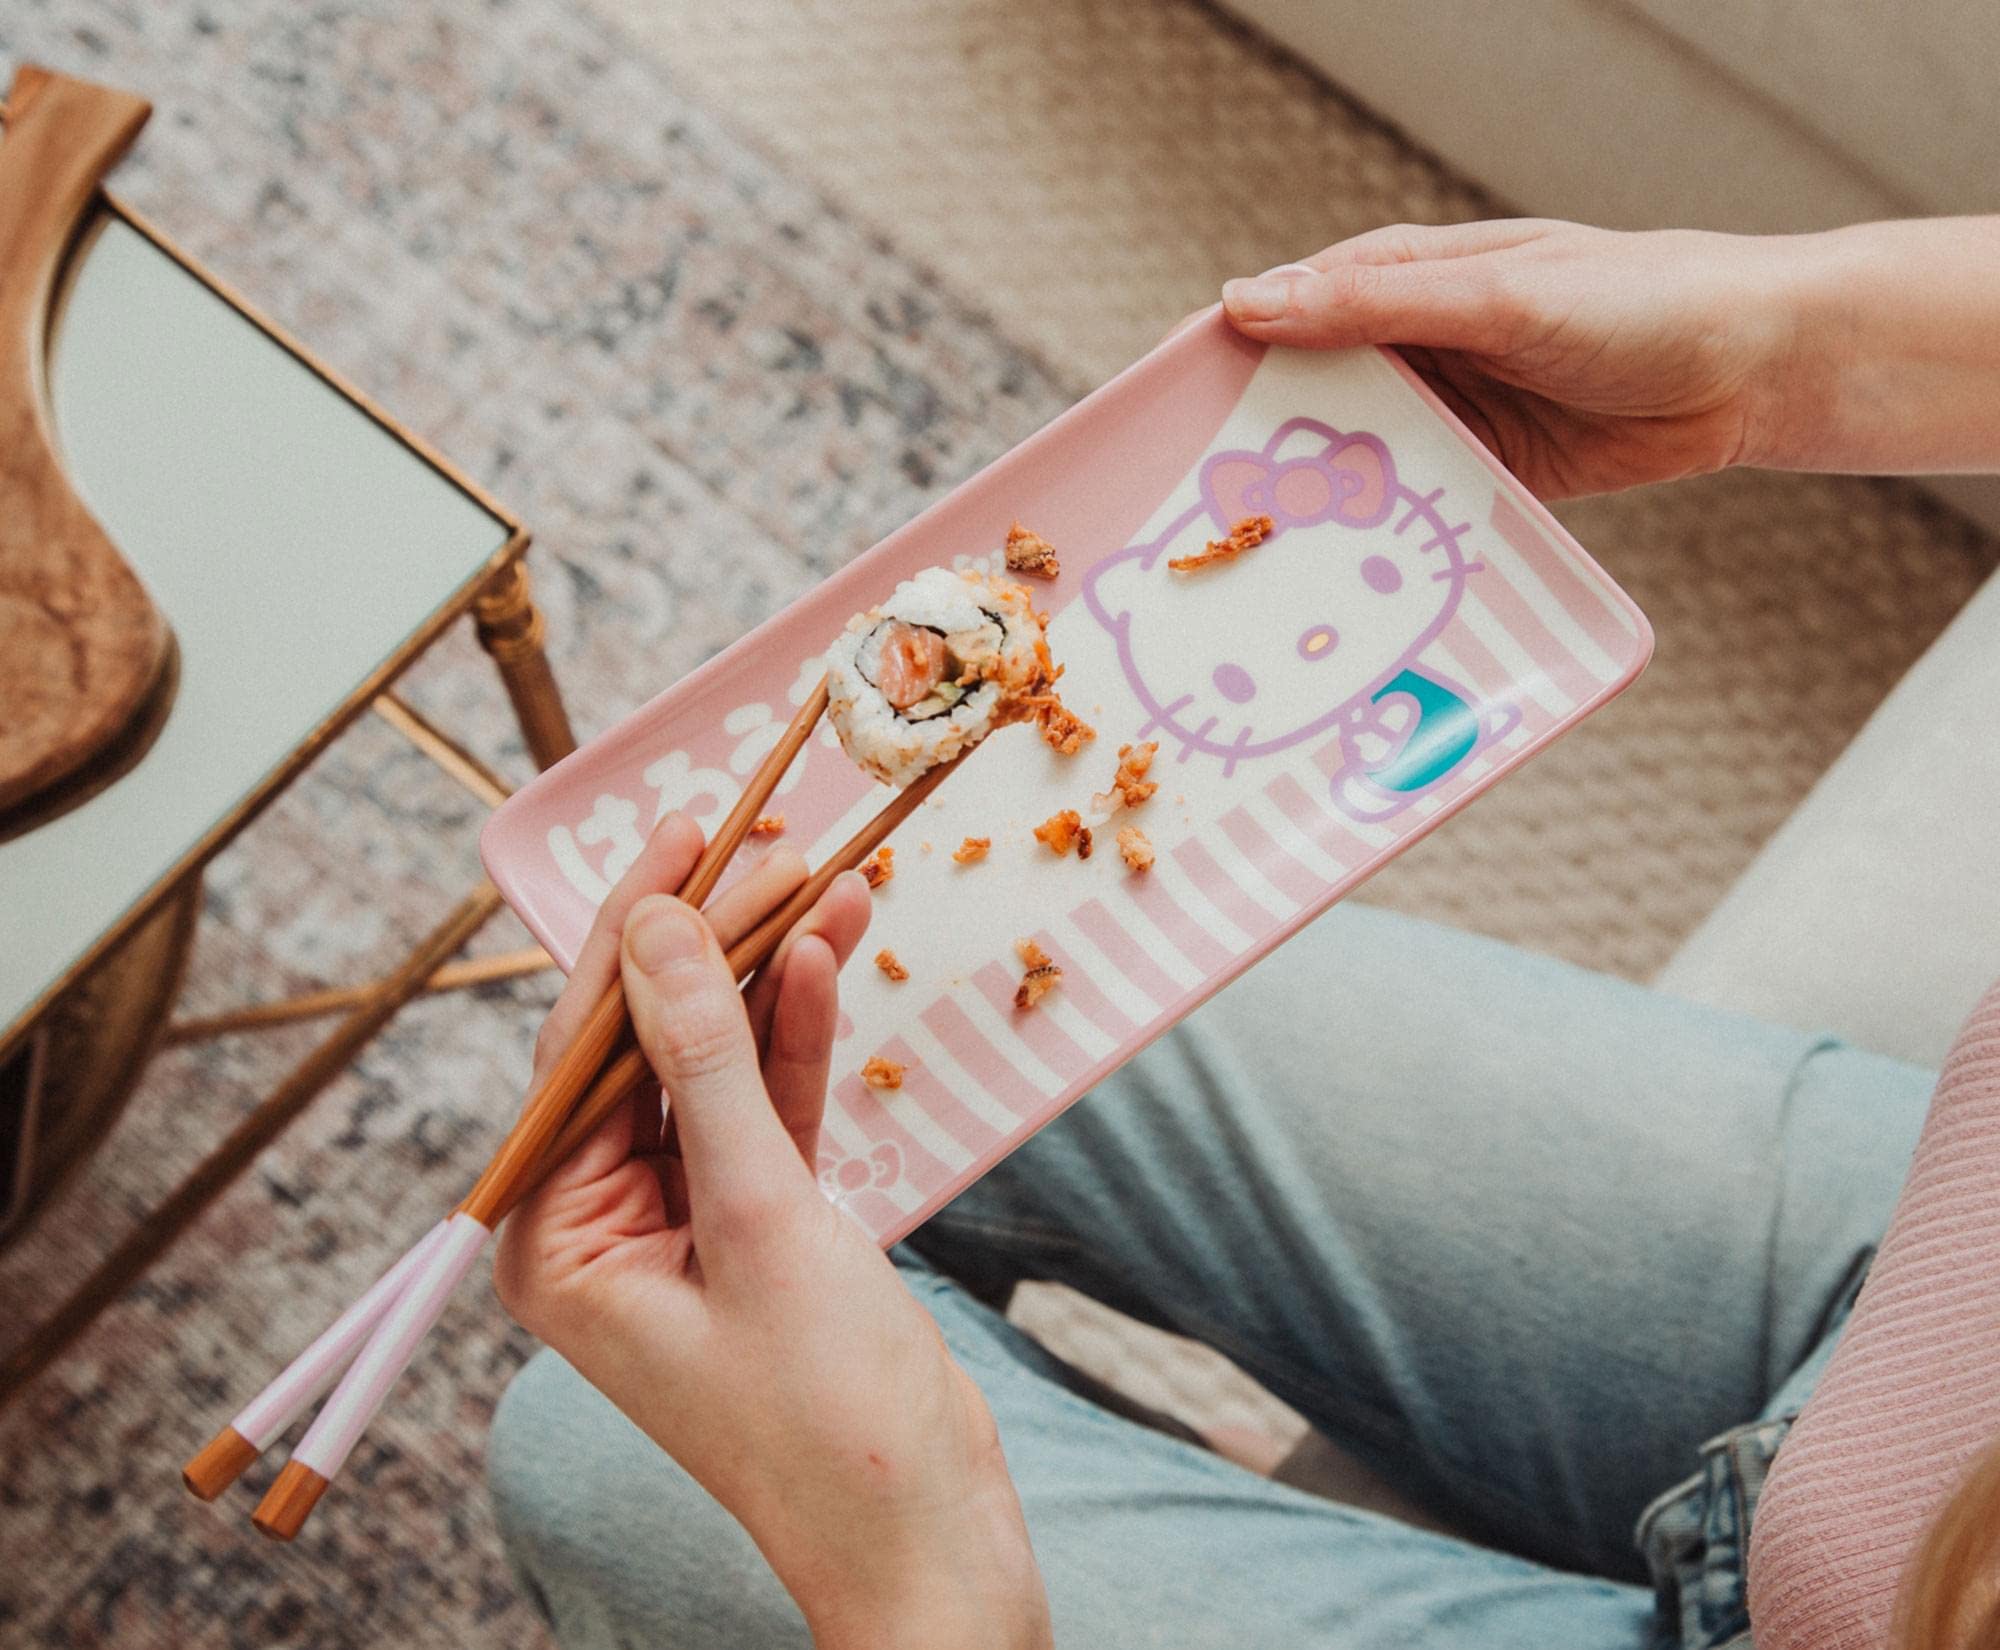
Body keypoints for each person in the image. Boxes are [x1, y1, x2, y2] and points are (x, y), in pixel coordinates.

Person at [485, 218, 2000, 1649]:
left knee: (603, 1443)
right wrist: (1780, 344)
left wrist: (928, 1581)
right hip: (1937, 1252)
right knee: (929, 994)